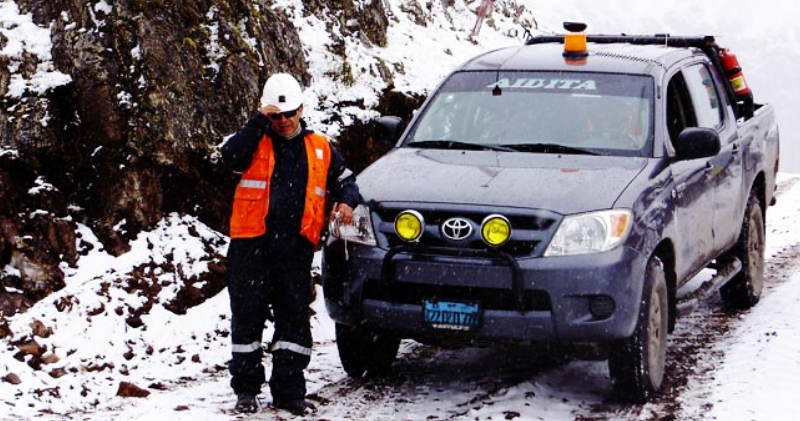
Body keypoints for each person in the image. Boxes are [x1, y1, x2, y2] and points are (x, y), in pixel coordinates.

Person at [221, 73, 360, 415]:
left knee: (293, 322)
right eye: (275, 115)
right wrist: (258, 120)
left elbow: (348, 182)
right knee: (247, 322)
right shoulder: (254, 140)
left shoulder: (320, 147)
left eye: (289, 113)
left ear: (301, 110)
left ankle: (288, 391)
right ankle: (246, 390)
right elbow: (230, 158)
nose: (283, 121)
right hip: (250, 248)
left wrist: (346, 202)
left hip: (294, 251)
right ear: (266, 113)